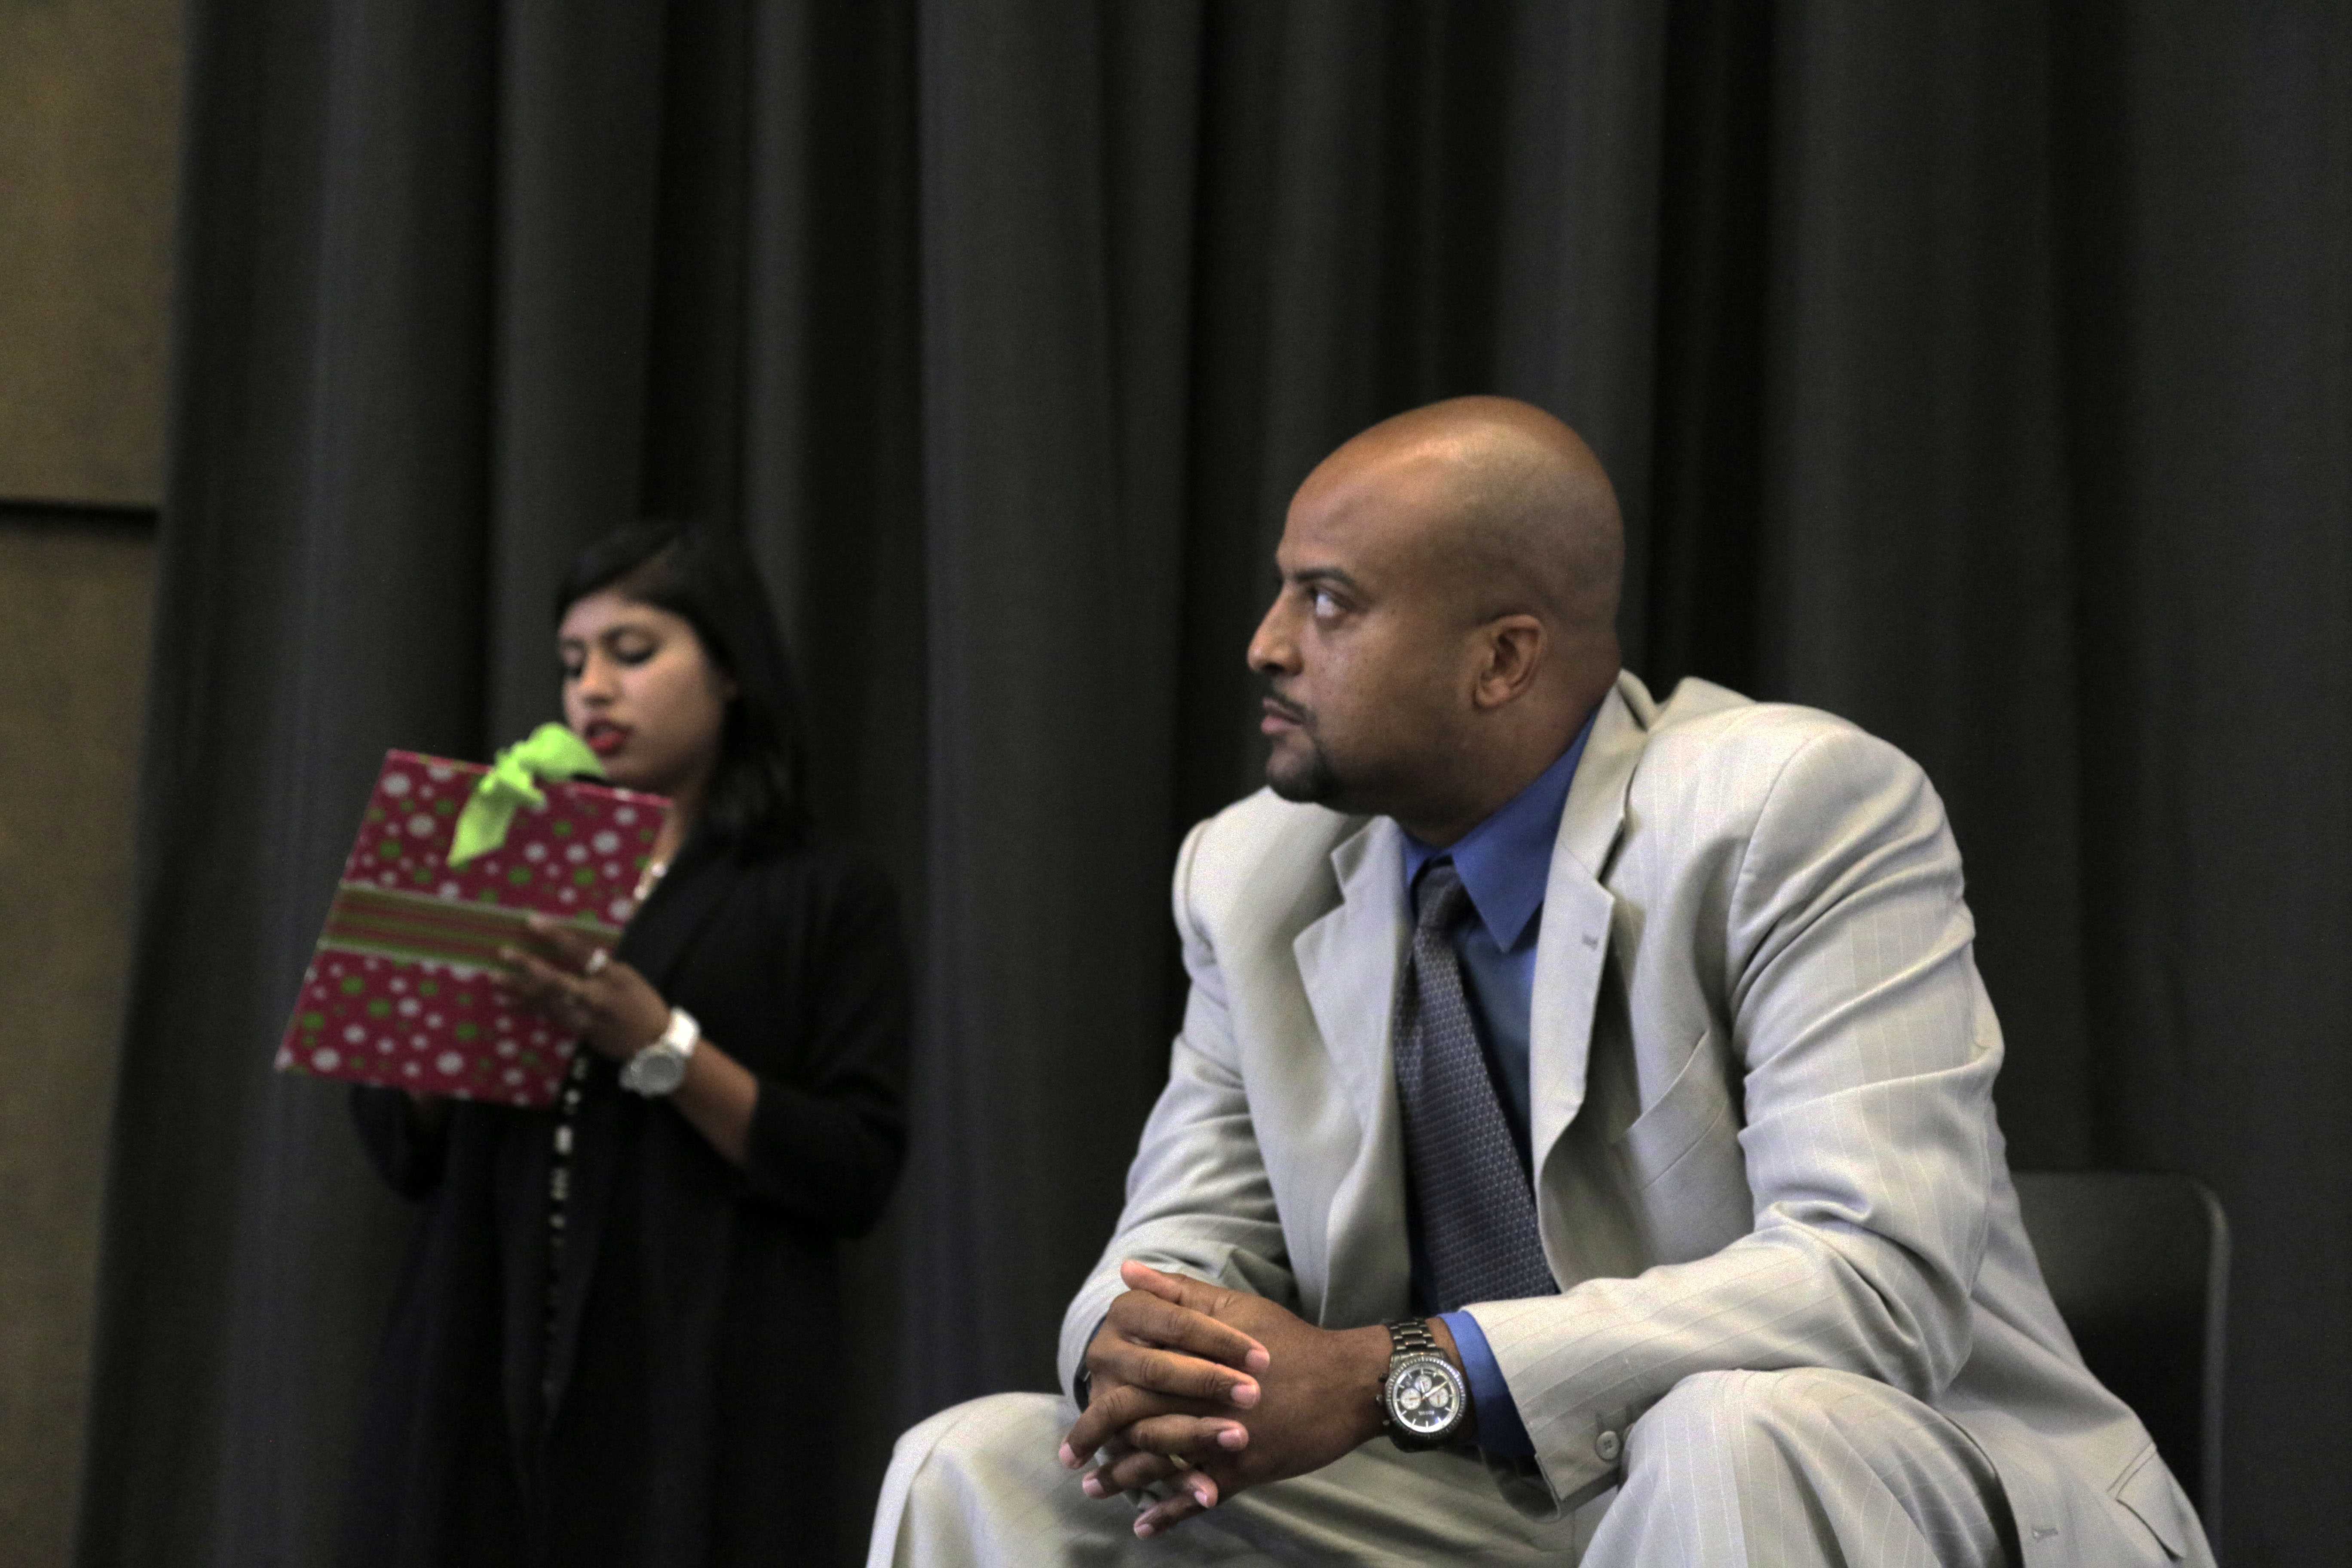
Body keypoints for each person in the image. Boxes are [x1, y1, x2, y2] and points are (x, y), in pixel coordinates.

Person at [869, 398, 2213, 1565]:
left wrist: (1398, 1376)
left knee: (1729, 1433)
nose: (1266, 643)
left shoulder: (1791, 809)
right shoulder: (1249, 871)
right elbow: (1173, 1246)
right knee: (978, 1469)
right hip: (1489, 1506)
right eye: (1283, 590)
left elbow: (1871, 1286)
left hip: (1881, 1481)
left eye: (1328, 601)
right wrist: (1135, 1350)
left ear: (1502, 658)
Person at [341, 523, 910, 1568]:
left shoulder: (821, 892)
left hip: (700, 1373)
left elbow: (855, 1168)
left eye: (632, 653)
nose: (592, 688)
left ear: (730, 670)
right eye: (572, 663)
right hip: (482, 1344)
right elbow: (397, 1148)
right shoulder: (508, 849)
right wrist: (444, 988)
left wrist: (661, 1045)